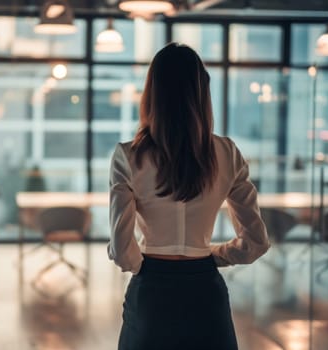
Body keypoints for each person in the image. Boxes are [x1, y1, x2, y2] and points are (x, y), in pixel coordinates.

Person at [108, 43, 270, 350]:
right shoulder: (228, 153)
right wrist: (212, 254)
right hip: (205, 292)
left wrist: (140, 262)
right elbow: (255, 244)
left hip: (152, 293)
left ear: (152, 92)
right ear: (202, 93)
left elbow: (122, 250)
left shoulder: (128, 157)